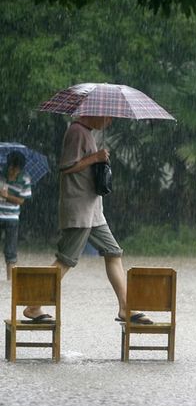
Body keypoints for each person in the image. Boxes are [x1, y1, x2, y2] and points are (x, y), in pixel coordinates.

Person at [23, 116, 152, 324]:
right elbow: (66, 167)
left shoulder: (88, 134)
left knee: (113, 252)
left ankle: (125, 307)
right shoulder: (76, 131)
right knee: (65, 260)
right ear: (95, 113)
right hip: (79, 210)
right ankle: (33, 306)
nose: (109, 122)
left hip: (94, 210)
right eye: (108, 117)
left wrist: (99, 159)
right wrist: (96, 158)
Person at [0, 151, 32, 280]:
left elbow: (21, 201)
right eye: (11, 167)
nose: (13, 171)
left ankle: (10, 280)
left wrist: (7, 197)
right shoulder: (1, 173)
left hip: (12, 218)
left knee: (11, 251)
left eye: (16, 169)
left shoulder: (25, 179)